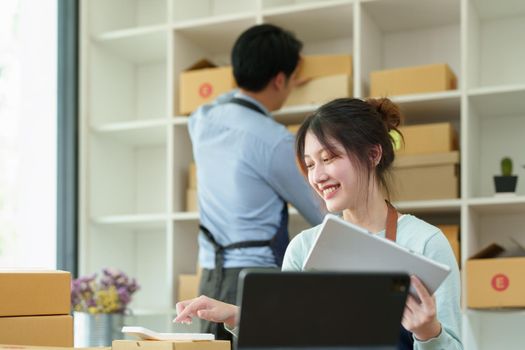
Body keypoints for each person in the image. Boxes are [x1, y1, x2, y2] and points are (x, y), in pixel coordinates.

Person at [176, 97, 463, 350]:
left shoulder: (425, 243)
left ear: (373, 154)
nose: (318, 176)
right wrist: (236, 314)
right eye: (310, 164)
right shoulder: (304, 247)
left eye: (329, 158)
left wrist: (428, 334)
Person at [187, 24, 325, 341]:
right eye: (289, 81)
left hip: (208, 276)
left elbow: (228, 101)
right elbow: (321, 211)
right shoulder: (276, 141)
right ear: (280, 79)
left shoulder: (201, 119)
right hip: (254, 280)